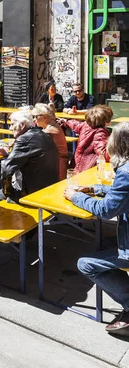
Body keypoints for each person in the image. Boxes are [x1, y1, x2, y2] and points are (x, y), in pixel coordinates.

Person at [64, 122, 129, 336]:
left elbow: (105, 210)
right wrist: (93, 188)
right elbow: (120, 194)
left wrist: (76, 196)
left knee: (86, 263)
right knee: (106, 244)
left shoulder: (126, 172)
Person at [0, 110, 59, 202]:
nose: (10, 128)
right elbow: (33, 158)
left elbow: (6, 169)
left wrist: (8, 192)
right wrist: (9, 154)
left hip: (32, 194)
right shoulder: (43, 134)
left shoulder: (23, 139)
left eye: (12, 124)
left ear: (22, 125)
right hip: (48, 189)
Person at [61, 104, 112, 174]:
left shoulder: (85, 125)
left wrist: (66, 121)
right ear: (106, 121)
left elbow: (75, 124)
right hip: (87, 168)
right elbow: (103, 154)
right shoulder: (100, 133)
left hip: (76, 164)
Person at [32, 103, 68, 180]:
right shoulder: (54, 125)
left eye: (36, 116)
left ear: (44, 117)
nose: (34, 119)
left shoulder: (49, 131)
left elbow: (32, 147)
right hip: (57, 164)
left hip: (57, 167)